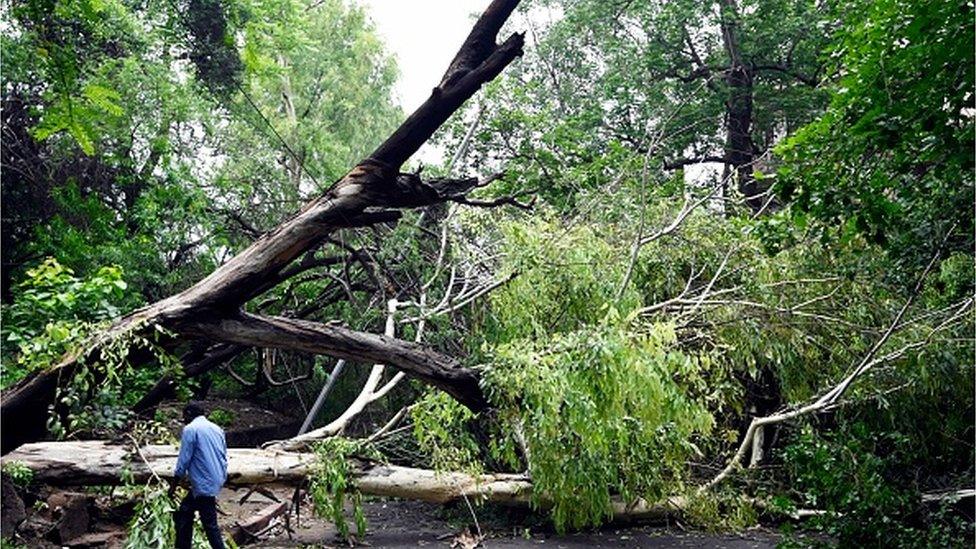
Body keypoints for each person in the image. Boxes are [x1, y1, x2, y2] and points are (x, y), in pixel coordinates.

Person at [171, 401, 228, 549]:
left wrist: (173, 484)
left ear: (189, 414)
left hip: (203, 483)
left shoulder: (191, 429)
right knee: (185, 511)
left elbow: (184, 459)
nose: (183, 420)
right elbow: (223, 455)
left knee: (210, 524)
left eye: (184, 416)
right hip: (216, 478)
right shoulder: (217, 429)